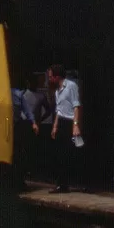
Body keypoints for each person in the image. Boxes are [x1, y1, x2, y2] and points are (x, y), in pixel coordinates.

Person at [48, 64, 83, 193]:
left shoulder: (71, 86)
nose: (50, 79)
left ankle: (70, 182)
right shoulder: (57, 91)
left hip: (70, 122)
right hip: (61, 122)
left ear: (57, 77)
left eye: (51, 77)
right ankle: (61, 184)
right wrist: (55, 126)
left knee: (69, 153)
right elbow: (59, 110)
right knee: (59, 154)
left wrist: (75, 125)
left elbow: (76, 106)